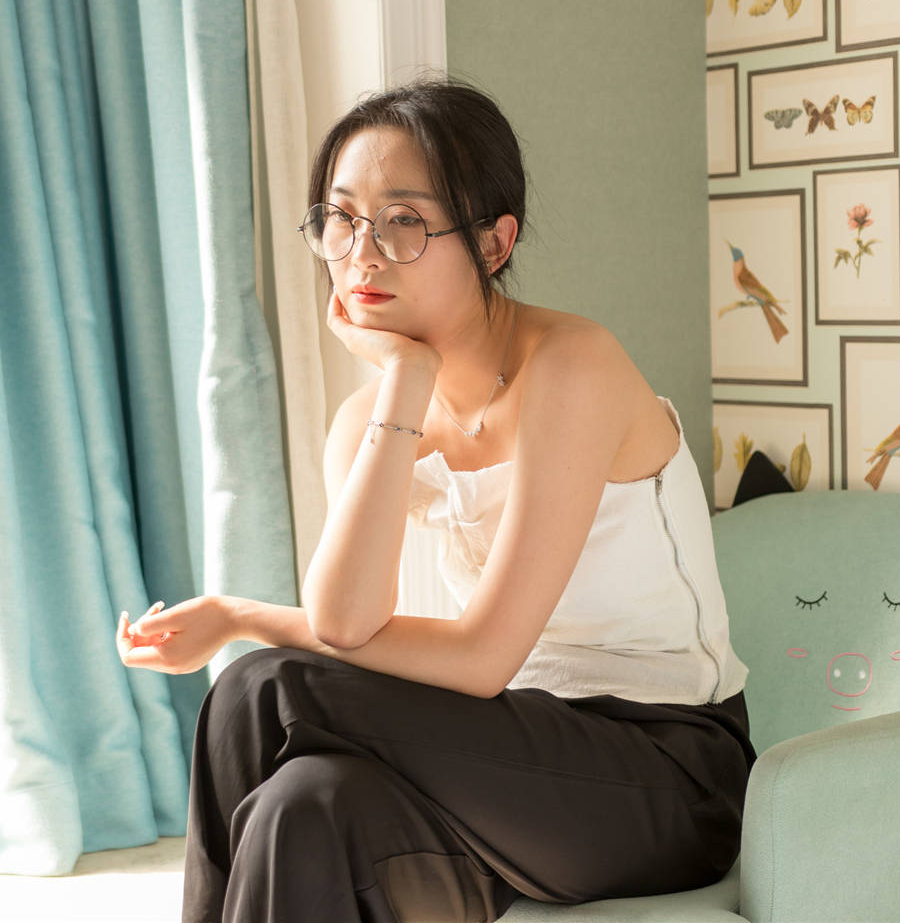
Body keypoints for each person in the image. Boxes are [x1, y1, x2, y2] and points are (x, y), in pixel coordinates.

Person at [116, 77, 756, 923]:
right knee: (299, 805)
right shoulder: (371, 420)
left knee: (254, 690)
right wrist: (405, 384)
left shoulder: (573, 366)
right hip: (507, 754)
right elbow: (350, 618)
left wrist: (248, 621)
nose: (362, 253)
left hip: (666, 773)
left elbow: (480, 657)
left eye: (403, 221)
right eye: (341, 219)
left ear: (494, 243)